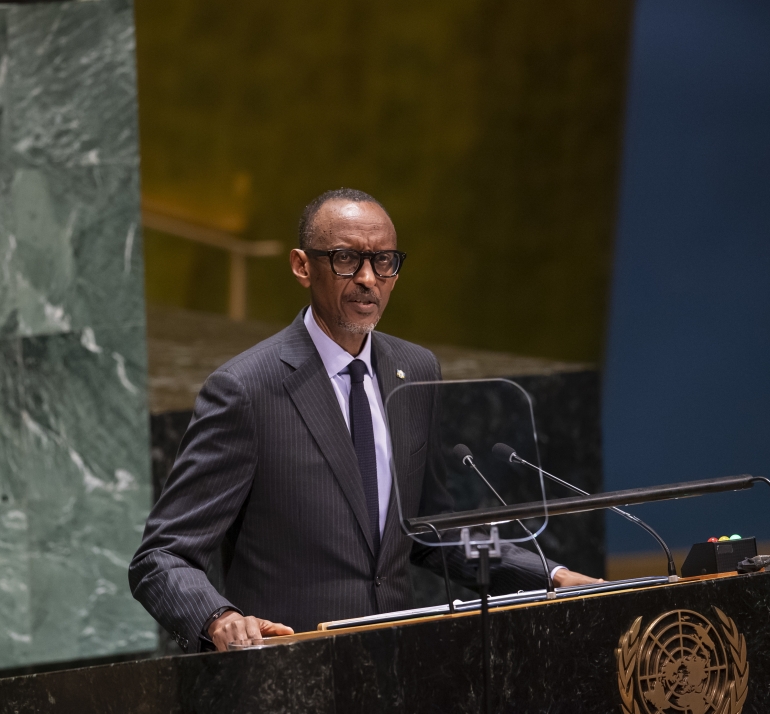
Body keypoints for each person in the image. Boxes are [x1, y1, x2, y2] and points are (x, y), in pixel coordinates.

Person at [130, 188, 597, 652]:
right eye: (346, 259)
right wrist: (218, 618)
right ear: (301, 266)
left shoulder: (415, 372)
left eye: (385, 261)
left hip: (397, 671)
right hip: (290, 677)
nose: (369, 279)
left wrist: (548, 575)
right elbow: (162, 556)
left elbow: (433, 529)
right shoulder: (246, 389)